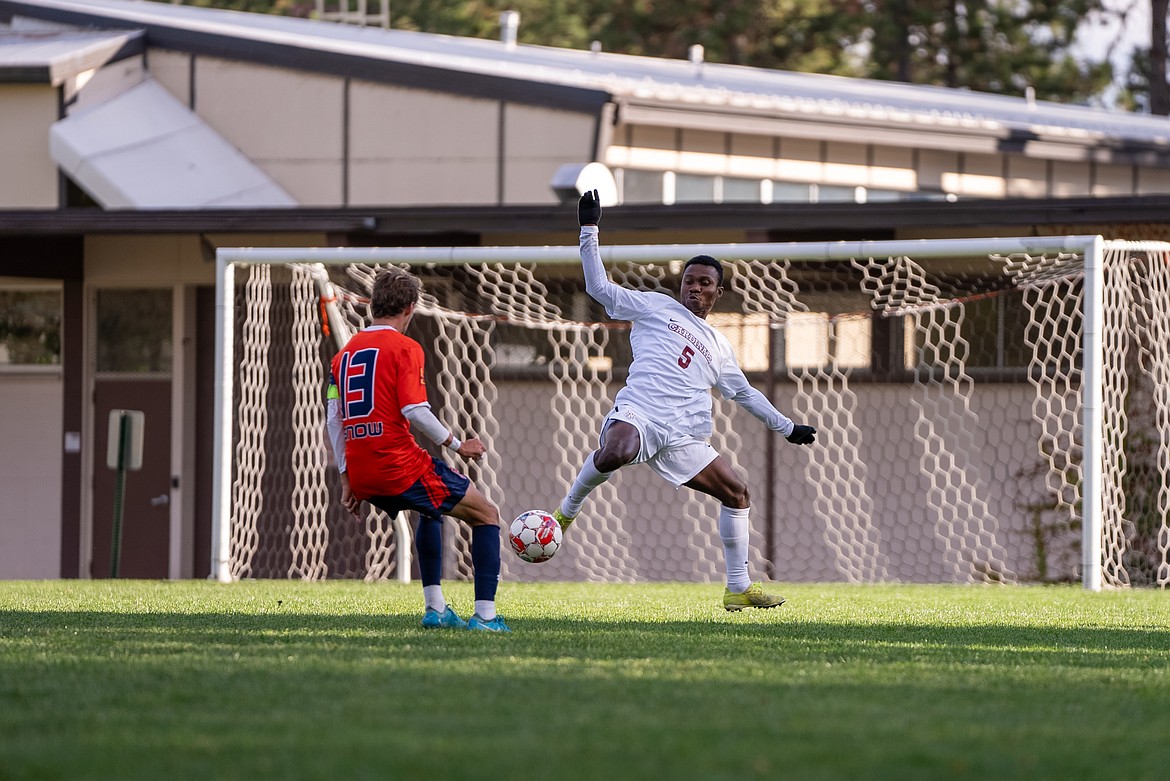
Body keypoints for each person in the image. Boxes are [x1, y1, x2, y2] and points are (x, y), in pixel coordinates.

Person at [553, 190, 818, 611]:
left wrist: (787, 428)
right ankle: (566, 513)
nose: (695, 288)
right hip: (641, 411)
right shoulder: (655, 307)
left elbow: (745, 393)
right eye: (689, 281)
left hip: (684, 435)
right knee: (616, 452)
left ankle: (738, 588)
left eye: (704, 283)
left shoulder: (720, 347)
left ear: (719, 291)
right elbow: (599, 287)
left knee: (737, 493)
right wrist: (589, 228)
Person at [326, 267, 509, 632]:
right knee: (487, 514)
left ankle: (436, 609)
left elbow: (334, 419)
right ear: (410, 308)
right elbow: (414, 410)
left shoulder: (342, 356)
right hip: (398, 465)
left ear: (375, 305)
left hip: (363, 471)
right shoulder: (406, 348)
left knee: (430, 510)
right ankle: (486, 618)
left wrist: (347, 478)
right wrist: (458, 445)